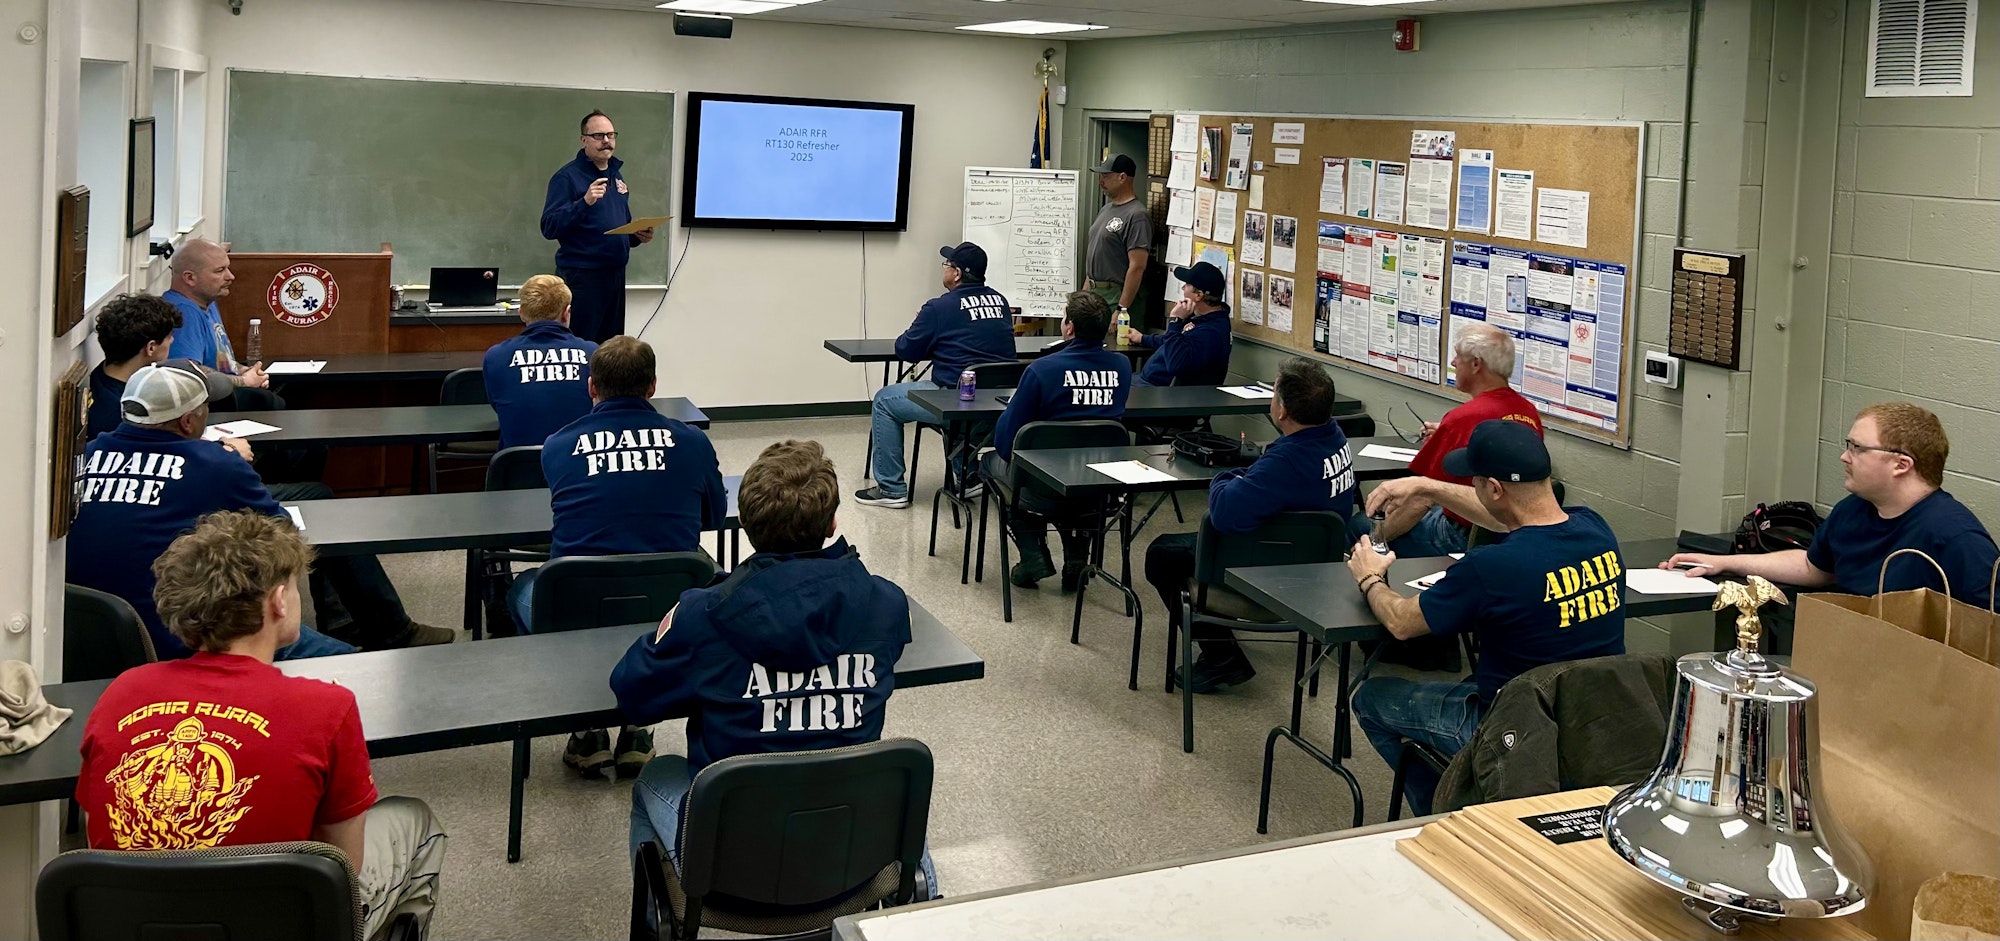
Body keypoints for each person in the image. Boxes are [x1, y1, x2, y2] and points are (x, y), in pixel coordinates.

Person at [77, 510, 447, 940]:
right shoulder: (328, 705)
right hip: (275, 925)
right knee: (414, 820)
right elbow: (341, 867)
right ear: (278, 600)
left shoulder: (123, 691)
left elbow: (97, 833)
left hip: (132, 923)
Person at [614, 439, 936, 899]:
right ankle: (920, 914)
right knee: (902, 812)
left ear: (744, 524)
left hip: (730, 864)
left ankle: (660, 923)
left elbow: (632, 696)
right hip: (851, 846)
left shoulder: (701, 616)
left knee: (654, 775)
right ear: (832, 524)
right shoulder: (885, 604)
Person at [67, 361, 453, 660]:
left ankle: (353, 622)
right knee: (349, 670)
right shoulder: (215, 462)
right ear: (189, 421)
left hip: (94, 633)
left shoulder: (84, 456)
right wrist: (233, 464)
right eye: (205, 409)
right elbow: (280, 533)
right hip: (188, 628)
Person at [1347, 420, 1626, 815]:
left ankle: (1445, 813)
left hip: (1511, 727)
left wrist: (1369, 576)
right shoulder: (1596, 529)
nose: (1473, 488)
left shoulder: (1491, 567)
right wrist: (1427, 487)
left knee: (1372, 699)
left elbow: (1401, 622)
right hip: (1592, 721)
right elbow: (1508, 517)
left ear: (1494, 488)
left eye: (1475, 481)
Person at [518, 335, 727, 778]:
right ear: (652, 387)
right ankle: (639, 726)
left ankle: (588, 731)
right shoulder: (692, 442)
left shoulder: (558, 445)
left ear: (591, 387)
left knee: (522, 588)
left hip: (576, 604)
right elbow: (713, 517)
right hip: (671, 606)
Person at [1143, 357, 1357, 692]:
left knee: (1161, 554)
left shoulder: (1285, 462)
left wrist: (1227, 475)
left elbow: (1225, 513)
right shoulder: (1335, 440)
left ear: (1282, 410)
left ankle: (1221, 658)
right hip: (1317, 572)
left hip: (1269, 575)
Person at [1666, 402, 1997, 610]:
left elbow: (1988, 630)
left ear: (1901, 464)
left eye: (1857, 448)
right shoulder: (1853, 509)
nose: (1844, 456)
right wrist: (1726, 563)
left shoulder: (1955, 535)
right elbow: (1814, 568)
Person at [986, 291, 1133, 590]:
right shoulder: (1122, 367)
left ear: (1069, 328)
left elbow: (1005, 443)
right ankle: (1077, 551)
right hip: (1097, 483)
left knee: (988, 463)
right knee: (1076, 482)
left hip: (1043, 486)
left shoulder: (1041, 370)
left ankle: (1032, 554)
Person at [854, 242, 1017, 510]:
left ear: (957, 274)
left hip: (957, 403)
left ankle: (891, 489)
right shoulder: (1000, 302)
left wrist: (922, 324)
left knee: (884, 401)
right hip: (997, 407)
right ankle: (968, 476)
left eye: (947, 265)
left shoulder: (939, 308)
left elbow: (905, 350)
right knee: (960, 404)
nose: (944, 269)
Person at [1373, 324, 1543, 558]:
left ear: (1476, 364)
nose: (1453, 363)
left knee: (1360, 527)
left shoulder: (1464, 418)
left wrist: (1376, 539)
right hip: (1512, 534)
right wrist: (1449, 433)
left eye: (1458, 357)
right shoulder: (1528, 411)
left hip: (1459, 535)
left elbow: (1419, 500)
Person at [540, 109, 656, 342]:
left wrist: (636, 235)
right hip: (583, 279)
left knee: (609, 350)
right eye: (599, 136)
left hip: (614, 277)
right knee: (582, 345)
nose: (606, 141)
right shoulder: (567, 178)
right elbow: (549, 227)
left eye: (611, 135)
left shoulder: (617, 176)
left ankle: (602, 382)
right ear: (584, 139)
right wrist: (584, 202)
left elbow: (616, 225)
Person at [482, 273, 597, 450]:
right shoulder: (593, 353)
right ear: (566, 313)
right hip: (575, 468)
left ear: (521, 314)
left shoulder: (496, 357)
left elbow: (499, 406)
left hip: (518, 469)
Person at [164, 239, 268, 390]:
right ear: (190, 278)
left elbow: (223, 362)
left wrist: (245, 371)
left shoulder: (207, 300)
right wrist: (244, 381)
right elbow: (190, 374)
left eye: (228, 268)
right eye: (220, 271)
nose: (230, 276)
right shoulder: (183, 313)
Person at [86, 292, 182, 440]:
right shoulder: (123, 414)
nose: (172, 340)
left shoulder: (101, 376)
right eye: (168, 336)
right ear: (151, 348)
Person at [1121, 261, 1232, 388]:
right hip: (1146, 379)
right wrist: (1142, 338)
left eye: (1187, 285)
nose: (1183, 288)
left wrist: (1176, 321)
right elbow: (1174, 341)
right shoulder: (1201, 318)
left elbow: (1176, 363)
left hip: (1157, 390)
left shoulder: (1211, 332)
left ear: (1199, 295)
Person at [1084, 154, 1153, 332]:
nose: (1101, 181)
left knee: (1115, 351)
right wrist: (1082, 298)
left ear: (1122, 177)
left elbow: (1137, 267)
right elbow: (1096, 259)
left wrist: (1122, 309)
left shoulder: (1137, 215)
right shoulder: (1106, 209)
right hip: (1095, 293)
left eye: (1106, 176)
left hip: (1116, 295)